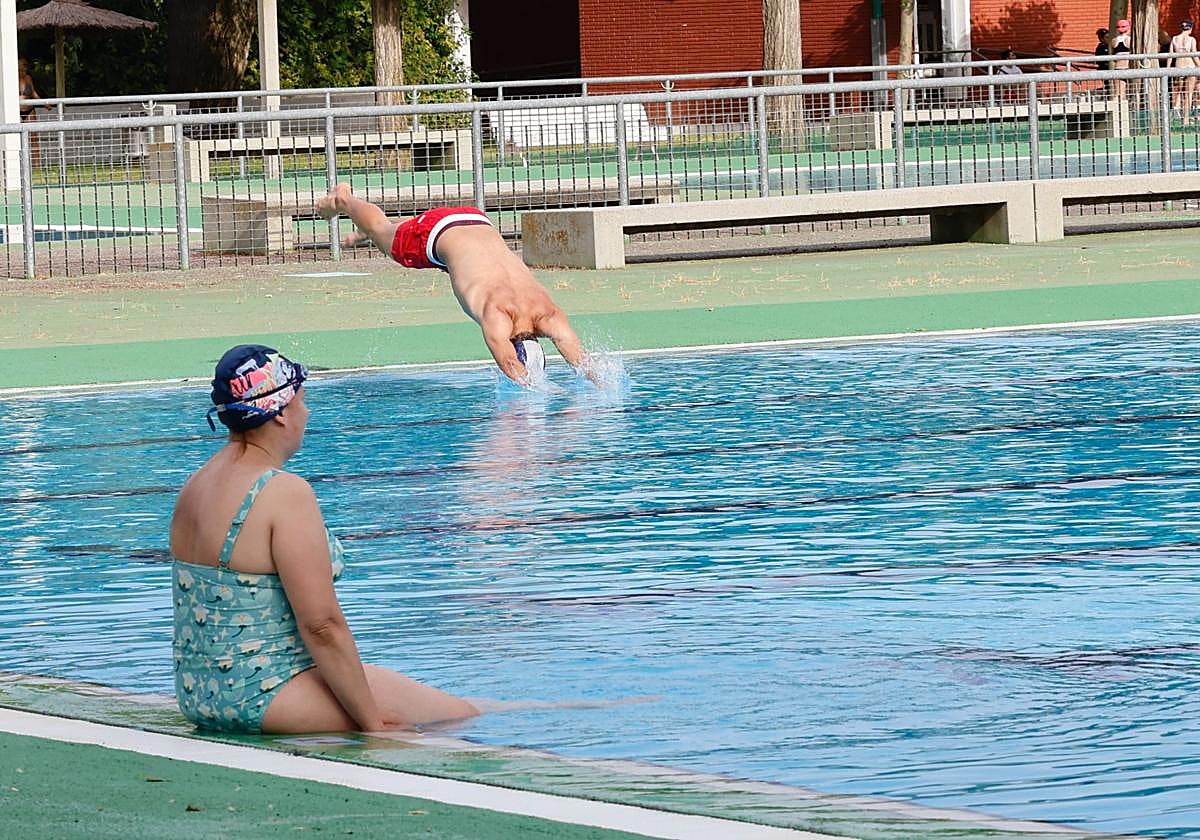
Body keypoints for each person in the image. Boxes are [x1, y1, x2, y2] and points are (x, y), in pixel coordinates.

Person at [171, 344, 480, 734]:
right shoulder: (283, 493)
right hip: (264, 697)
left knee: (454, 706)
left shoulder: (195, 484)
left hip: (200, 695)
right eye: (302, 401)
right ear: (280, 412)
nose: (307, 412)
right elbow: (321, 625)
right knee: (458, 718)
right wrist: (372, 726)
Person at [316, 184, 594, 386]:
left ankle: (368, 230)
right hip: (438, 234)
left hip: (476, 220)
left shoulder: (547, 313)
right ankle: (344, 199)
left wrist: (601, 383)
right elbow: (511, 366)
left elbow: (583, 362)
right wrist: (544, 392)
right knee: (382, 232)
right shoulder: (498, 315)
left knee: (397, 233)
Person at [1170, 20, 1198, 122]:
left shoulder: (1174, 39)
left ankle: (1180, 116)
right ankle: (1186, 119)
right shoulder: (1191, 40)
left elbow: (1170, 56)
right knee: (1188, 94)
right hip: (1190, 67)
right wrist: (1199, 67)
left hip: (1178, 67)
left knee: (1180, 93)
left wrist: (1167, 69)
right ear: (1190, 28)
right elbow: (1194, 56)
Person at [16, 59, 41, 167]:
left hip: (29, 110)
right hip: (16, 111)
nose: (25, 67)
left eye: (26, 65)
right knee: (15, 138)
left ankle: (37, 165)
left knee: (34, 138)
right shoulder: (11, 77)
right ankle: (18, 165)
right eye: (23, 64)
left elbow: (33, 93)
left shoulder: (28, 78)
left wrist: (45, 103)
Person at [1111, 18, 1133, 98]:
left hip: (1117, 66)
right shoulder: (1129, 40)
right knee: (1131, 90)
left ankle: (1117, 107)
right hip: (1128, 66)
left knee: (1118, 91)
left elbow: (1113, 54)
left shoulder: (1114, 40)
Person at [1094, 27, 1112, 96]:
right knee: (1108, 85)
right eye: (1106, 37)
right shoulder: (1100, 48)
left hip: (1111, 69)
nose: (1108, 39)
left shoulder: (1110, 46)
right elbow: (1099, 60)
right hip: (1105, 69)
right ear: (1101, 39)